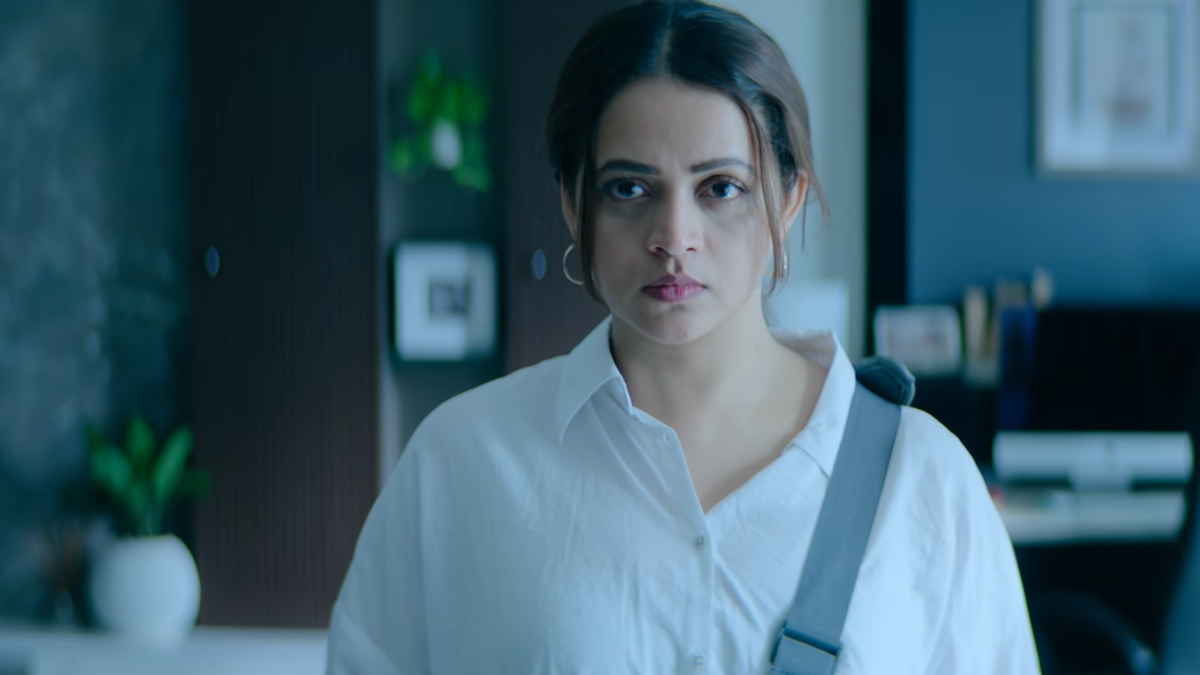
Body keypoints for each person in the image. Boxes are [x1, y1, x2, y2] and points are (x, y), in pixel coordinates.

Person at [325, 1, 1039, 673]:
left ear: (788, 198)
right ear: (573, 203)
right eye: (628, 189)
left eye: (720, 187)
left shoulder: (925, 479)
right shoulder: (461, 460)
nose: (673, 236)